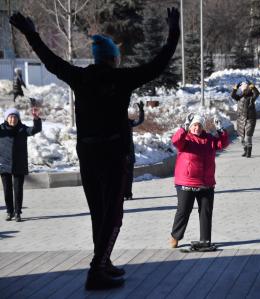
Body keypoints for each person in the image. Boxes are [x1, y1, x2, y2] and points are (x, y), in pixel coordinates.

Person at [10, 7, 179, 290]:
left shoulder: (81, 76)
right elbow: (158, 64)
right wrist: (173, 29)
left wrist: (31, 33)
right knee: (112, 215)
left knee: (98, 212)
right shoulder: (122, 78)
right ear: (114, 58)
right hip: (113, 154)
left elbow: (50, 61)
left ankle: (104, 261)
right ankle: (96, 270)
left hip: (88, 154)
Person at [169, 113, 229, 250]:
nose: (197, 128)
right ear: (190, 127)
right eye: (194, 125)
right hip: (186, 182)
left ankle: (205, 239)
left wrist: (221, 130)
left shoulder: (209, 139)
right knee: (184, 210)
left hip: (206, 182)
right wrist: (183, 128)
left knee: (206, 211)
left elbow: (223, 143)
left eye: (199, 125)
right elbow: (175, 141)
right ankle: (175, 236)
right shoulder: (186, 139)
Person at [0, 107, 41, 222]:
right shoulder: (1, 129)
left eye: (15, 117)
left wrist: (36, 119)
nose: (13, 119)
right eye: (10, 117)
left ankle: (18, 213)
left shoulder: (23, 129)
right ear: (6, 118)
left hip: (19, 164)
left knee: (18, 190)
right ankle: (9, 211)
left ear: (18, 119)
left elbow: (35, 129)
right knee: (7, 190)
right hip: (4, 164)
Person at [231, 81, 259, 158]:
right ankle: (245, 149)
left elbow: (257, 93)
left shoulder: (251, 98)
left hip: (250, 118)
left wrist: (252, 86)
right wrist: (235, 88)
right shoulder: (239, 97)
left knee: (248, 135)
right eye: (243, 89)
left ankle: (249, 152)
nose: (245, 91)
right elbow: (233, 95)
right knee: (241, 138)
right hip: (241, 119)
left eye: (246, 89)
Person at [124, 101, 145, 201]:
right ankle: (120, 194)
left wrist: (141, 110)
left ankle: (128, 194)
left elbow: (139, 121)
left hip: (129, 153)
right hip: (118, 154)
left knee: (129, 175)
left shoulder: (128, 121)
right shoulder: (113, 123)